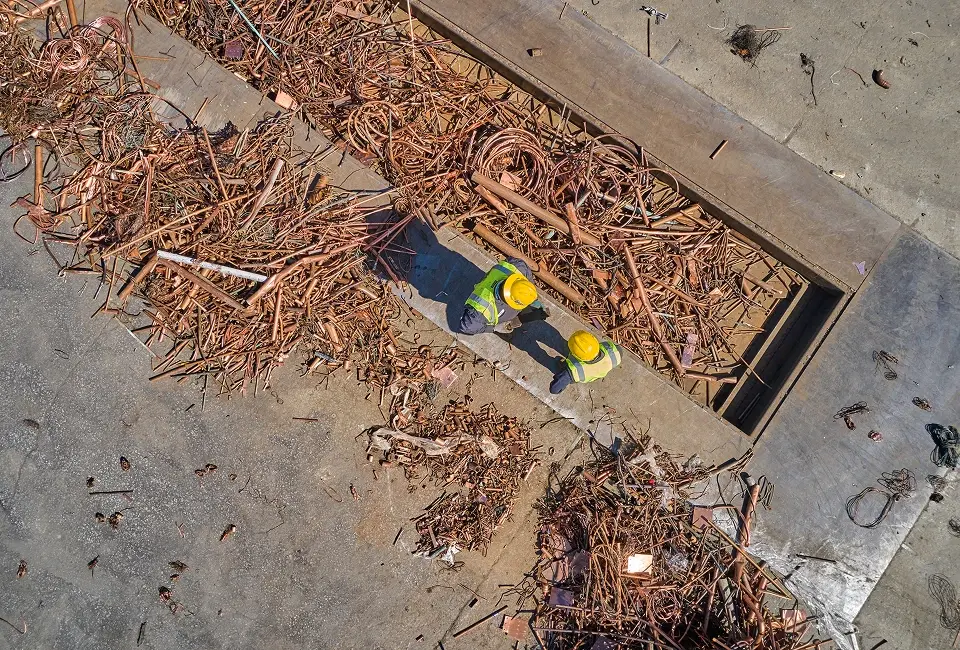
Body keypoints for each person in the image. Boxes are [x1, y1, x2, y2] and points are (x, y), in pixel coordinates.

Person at [459, 257, 549, 335]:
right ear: (511, 301)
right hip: (489, 305)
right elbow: (466, 327)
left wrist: (532, 299)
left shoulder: (517, 267)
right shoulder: (481, 310)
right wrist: (494, 328)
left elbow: (526, 276)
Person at [550, 330, 622, 394]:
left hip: (576, 376)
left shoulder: (574, 371)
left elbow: (554, 389)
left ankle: (562, 365)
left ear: (576, 356)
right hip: (599, 373)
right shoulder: (615, 351)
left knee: (566, 372)